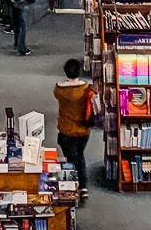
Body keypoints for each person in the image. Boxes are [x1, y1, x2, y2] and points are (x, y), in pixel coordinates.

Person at [54, 59, 92, 199]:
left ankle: (71, 186)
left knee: (70, 159)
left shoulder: (60, 90)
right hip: (83, 130)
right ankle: (83, 186)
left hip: (66, 130)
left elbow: (56, 94)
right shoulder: (86, 89)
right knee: (80, 156)